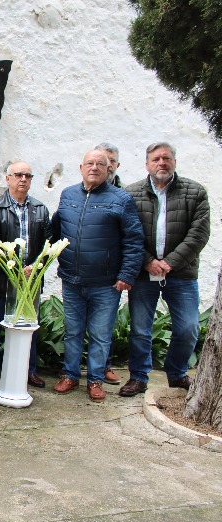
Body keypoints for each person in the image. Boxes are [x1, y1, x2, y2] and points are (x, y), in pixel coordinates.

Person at [51, 150, 143, 402]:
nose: (94, 168)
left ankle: (95, 380)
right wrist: (45, 260)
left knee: (100, 335)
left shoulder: (121, 199)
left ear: (108, 169)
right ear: (81, 167)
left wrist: (127, 275)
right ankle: (70, 375)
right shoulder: (68, 194)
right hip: (71, 280)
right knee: (72, 332)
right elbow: (56, 230)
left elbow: (134, 241)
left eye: (100, 164)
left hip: (106, 284)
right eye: (89, 163)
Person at [120, 142, 210, 397]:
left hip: (180, 273)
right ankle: (138, 377)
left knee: (188, 328)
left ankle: (177, 372)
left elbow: (199, 234)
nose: (162, 163)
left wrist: (170, 262)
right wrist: (147, 260)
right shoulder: (131, 194)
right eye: (156, 159)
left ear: (174, 162)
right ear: (147, 164)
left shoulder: (195, 192)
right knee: (140, 328)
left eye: (167, 158)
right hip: (144, 273)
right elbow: (127, 233)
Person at [0, 161, 51, 390]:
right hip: (0, 280)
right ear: (8, 178)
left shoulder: (40, 209)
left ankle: (29, 370)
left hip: (30, 282)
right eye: (18, 175)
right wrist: (17, 269)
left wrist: (33, 269)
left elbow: (47, 245)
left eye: (28, 176)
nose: (23, 179)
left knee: (29, 326)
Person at [95, 142, 123, 385]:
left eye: (111, 160)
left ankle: (104, 367)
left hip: (111, 275)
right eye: (102, 159)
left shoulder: (125, 195)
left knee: (104, 328)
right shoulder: (77, 192)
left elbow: (132, 237)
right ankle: (72, 370)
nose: (107, 164)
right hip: (83, 274)